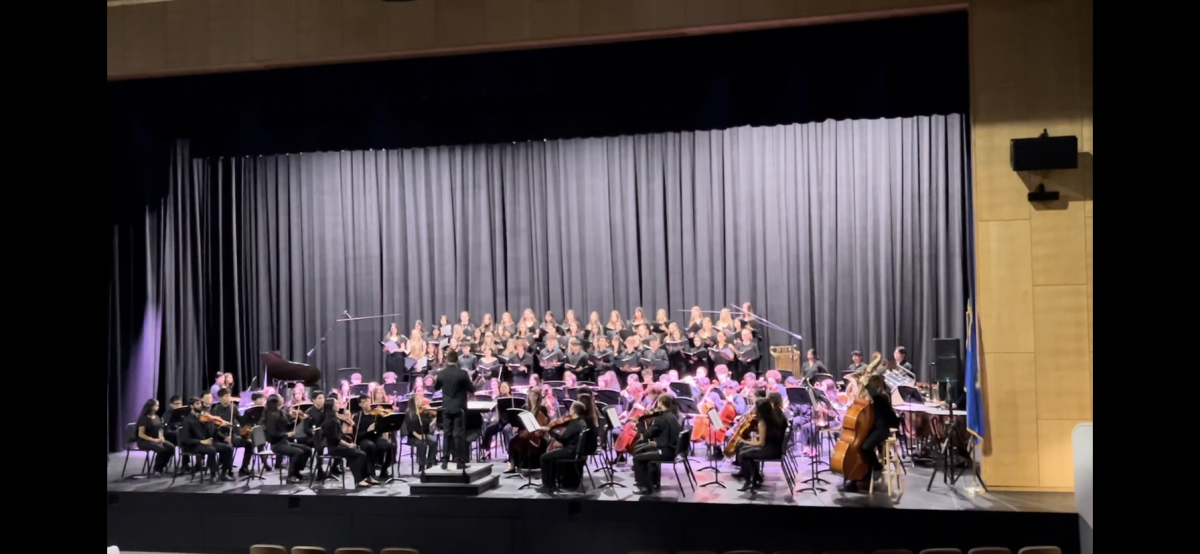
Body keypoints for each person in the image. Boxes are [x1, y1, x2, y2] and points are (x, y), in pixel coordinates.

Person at [840, 374, 901, 493]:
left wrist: (866, 384)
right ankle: (858, 477)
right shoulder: (874, 400)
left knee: (865, 447)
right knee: (859, 447)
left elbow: (876, 396)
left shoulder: (883, 397)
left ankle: (877, 466)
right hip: (873, 428)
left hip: (882, 429)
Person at [535, 401, 590, 494]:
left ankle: (547, 486)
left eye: (571, 408)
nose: (570, 410)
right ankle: (551, 485)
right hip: (576, 450)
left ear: (574, 411)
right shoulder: (581, 421)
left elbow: (562, 439)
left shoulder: (575, 424)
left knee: (544, 457)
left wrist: (550, 431)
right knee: (551, 457)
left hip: (571, 451)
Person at [631, 395, 682, 495]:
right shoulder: (671, 416)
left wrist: (640, 425)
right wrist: (657, 443)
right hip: (671, 449)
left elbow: (647, 435)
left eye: (658, 402)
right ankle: (652, 482)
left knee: (637, 459)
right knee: (642, 450)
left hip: (666, 452)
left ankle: (644, 487)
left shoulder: (661, 419)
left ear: (661, 402)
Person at [733, 397, 788, 491]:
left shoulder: (762, 422)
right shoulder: (773, 418)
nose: (753, 409)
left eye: (755, 407)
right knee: (744, 449)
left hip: (771, 451)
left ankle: (748, 481)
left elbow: (761, 443)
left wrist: (744, 441)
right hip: (777, 448)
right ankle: (756, 477)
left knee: (743, 454)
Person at [434, 350, 475, 470]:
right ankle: (460, 462)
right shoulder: (462, 373)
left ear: (447, 360)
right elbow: (471, 389)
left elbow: (436, 388)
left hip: (446, 407)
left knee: (447, 434)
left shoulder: (441, 374)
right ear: (457, 360)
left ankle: (445, 461)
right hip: (459, 408)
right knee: (459, 434)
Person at [319, 399, 372, 488]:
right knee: (361, 454)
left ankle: (365, 478)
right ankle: (361, 479)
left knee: (356, 454)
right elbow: (336, 439)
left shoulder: (333, 419)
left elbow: (340, 435)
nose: (339, 405)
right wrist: (349, 445)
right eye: (337, 403)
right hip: (334, 449)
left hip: (337, 447)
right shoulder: (331, 421)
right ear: (332, 406)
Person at [179, 396, 234, 480]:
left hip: (207, 442)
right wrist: (201, 442)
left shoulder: (204, 418)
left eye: (200, 403)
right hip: (195, 445)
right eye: (197, 404)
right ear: (191, 406)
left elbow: (211, 433)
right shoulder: (187, 420)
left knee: (229, 447)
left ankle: (224, 474)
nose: (200, 405)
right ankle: (213, 474)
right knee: (211, 449)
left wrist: (219, 429)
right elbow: (185, 440)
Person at [262, 396, 312, 483]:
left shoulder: (281, 413)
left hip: (284, 442)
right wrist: (287, 434)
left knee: (307, 450)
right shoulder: (271, 416)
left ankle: (296, 472)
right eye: (280, 398)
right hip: (276, 444)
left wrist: (298, 419)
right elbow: (272, 434)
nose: (282, 398)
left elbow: (288, 427)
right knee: (297, 452)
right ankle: (290, 476)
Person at [208, 388, 255, 477]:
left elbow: (241, 420)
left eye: (229, 396)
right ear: (220, 398)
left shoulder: (234, 407)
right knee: (229, 447)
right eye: (226, 396)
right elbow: (214, 428)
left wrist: (249, 415)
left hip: (232, 435)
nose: (229, 398)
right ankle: (227, 469)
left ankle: (244, 467)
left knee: (249, 444)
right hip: (219, 436)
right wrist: (224, 437)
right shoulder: (215, 410)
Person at [354, 396, 395, 481]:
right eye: (364, 401)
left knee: (391, 446)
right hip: (363, 438)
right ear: (360, 404)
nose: (367, 403)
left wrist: (383, 419)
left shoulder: (376, 414)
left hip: (376, 437)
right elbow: (357, 435)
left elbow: (383, 428)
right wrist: (367, 430)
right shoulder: (358, 416)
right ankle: (371, 473)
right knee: (370, 446)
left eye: (368, 401)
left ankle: (384, 469)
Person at [136, 398, 174, 477]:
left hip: (156, 439)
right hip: (144, 441)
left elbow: (160, 428)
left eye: (158, 405)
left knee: (171, 447)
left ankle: (162, 466)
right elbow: (141, 434)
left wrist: (161, 436)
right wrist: (154, 440)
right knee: (162, 450)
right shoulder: (144, 418)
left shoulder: (156, 417)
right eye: (156, 405)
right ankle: (157, 469)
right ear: (150, 407)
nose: (158, 407)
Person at [404, 396, 439, 471]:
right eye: (417, 399)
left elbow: (427, 425)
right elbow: (409, 428)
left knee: (434, 442)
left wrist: (435, 419)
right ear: (413, 402)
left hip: (424, 434)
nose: (420, 401)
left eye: (420, 399)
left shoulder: (423, 411)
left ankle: (430, 463)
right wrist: (418, 436)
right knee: (422, 444)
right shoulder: (408, 412)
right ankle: (422, 466)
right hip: (413, 437)